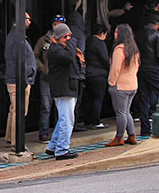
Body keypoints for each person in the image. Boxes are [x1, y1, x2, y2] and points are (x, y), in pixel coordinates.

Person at [44, 23, 80, 160]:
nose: (69, 38)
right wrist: (73, 42)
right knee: (67, 119)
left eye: (70, 35)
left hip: (66, 86)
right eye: (65, 36)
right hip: (63, 88)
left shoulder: (59, 48)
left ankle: (53, 146)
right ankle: (62, 149)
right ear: (58, 37)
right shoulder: (55, 50)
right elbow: (69, 57)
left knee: (64, 118)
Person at [105, 24, 141, 146]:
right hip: (132, 84)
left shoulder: (119, 50)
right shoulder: (133, 49)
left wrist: (111, 83)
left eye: (116, 32)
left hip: (120, 86)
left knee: (120, 112)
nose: (114, 34)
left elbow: (115, 69)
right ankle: (131, 135)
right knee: (126, 112)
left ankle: (119, 137)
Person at [4, 12, 36, 148]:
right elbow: (20, 61)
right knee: (19, 109)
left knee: (14, 109)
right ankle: (17, 142)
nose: (30, 22)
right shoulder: (17, 38)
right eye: (28, 19)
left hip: (15, 78)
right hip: (18, 79)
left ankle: (10, 137)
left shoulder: (15, 36)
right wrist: (25, 79)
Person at [33, 14, 66, 143]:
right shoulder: (44, 40)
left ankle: (59, 133)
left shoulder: (67, 39)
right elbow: (34, 56)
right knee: (46, 106)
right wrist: (43, 68)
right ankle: (44, 133)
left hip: (60, 77)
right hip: (47, 78)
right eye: (56, 24)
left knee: (61, 107)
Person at [135, 15, 159, 136]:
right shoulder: (157, 35)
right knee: (157, 94)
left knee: (143, 98)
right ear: (156, 24)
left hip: (141, 68)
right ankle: (157, 125)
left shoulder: (138, 34)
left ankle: (145, 128)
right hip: (154, 68)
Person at [84, 23, 110, 129]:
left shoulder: (88, 41)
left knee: (90, 98)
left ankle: (88, 120)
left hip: (89, 73)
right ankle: (96, 121)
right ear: (102, 33)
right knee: (98, 98)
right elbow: (104, 59)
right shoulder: (100, 43)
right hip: (99, 74)